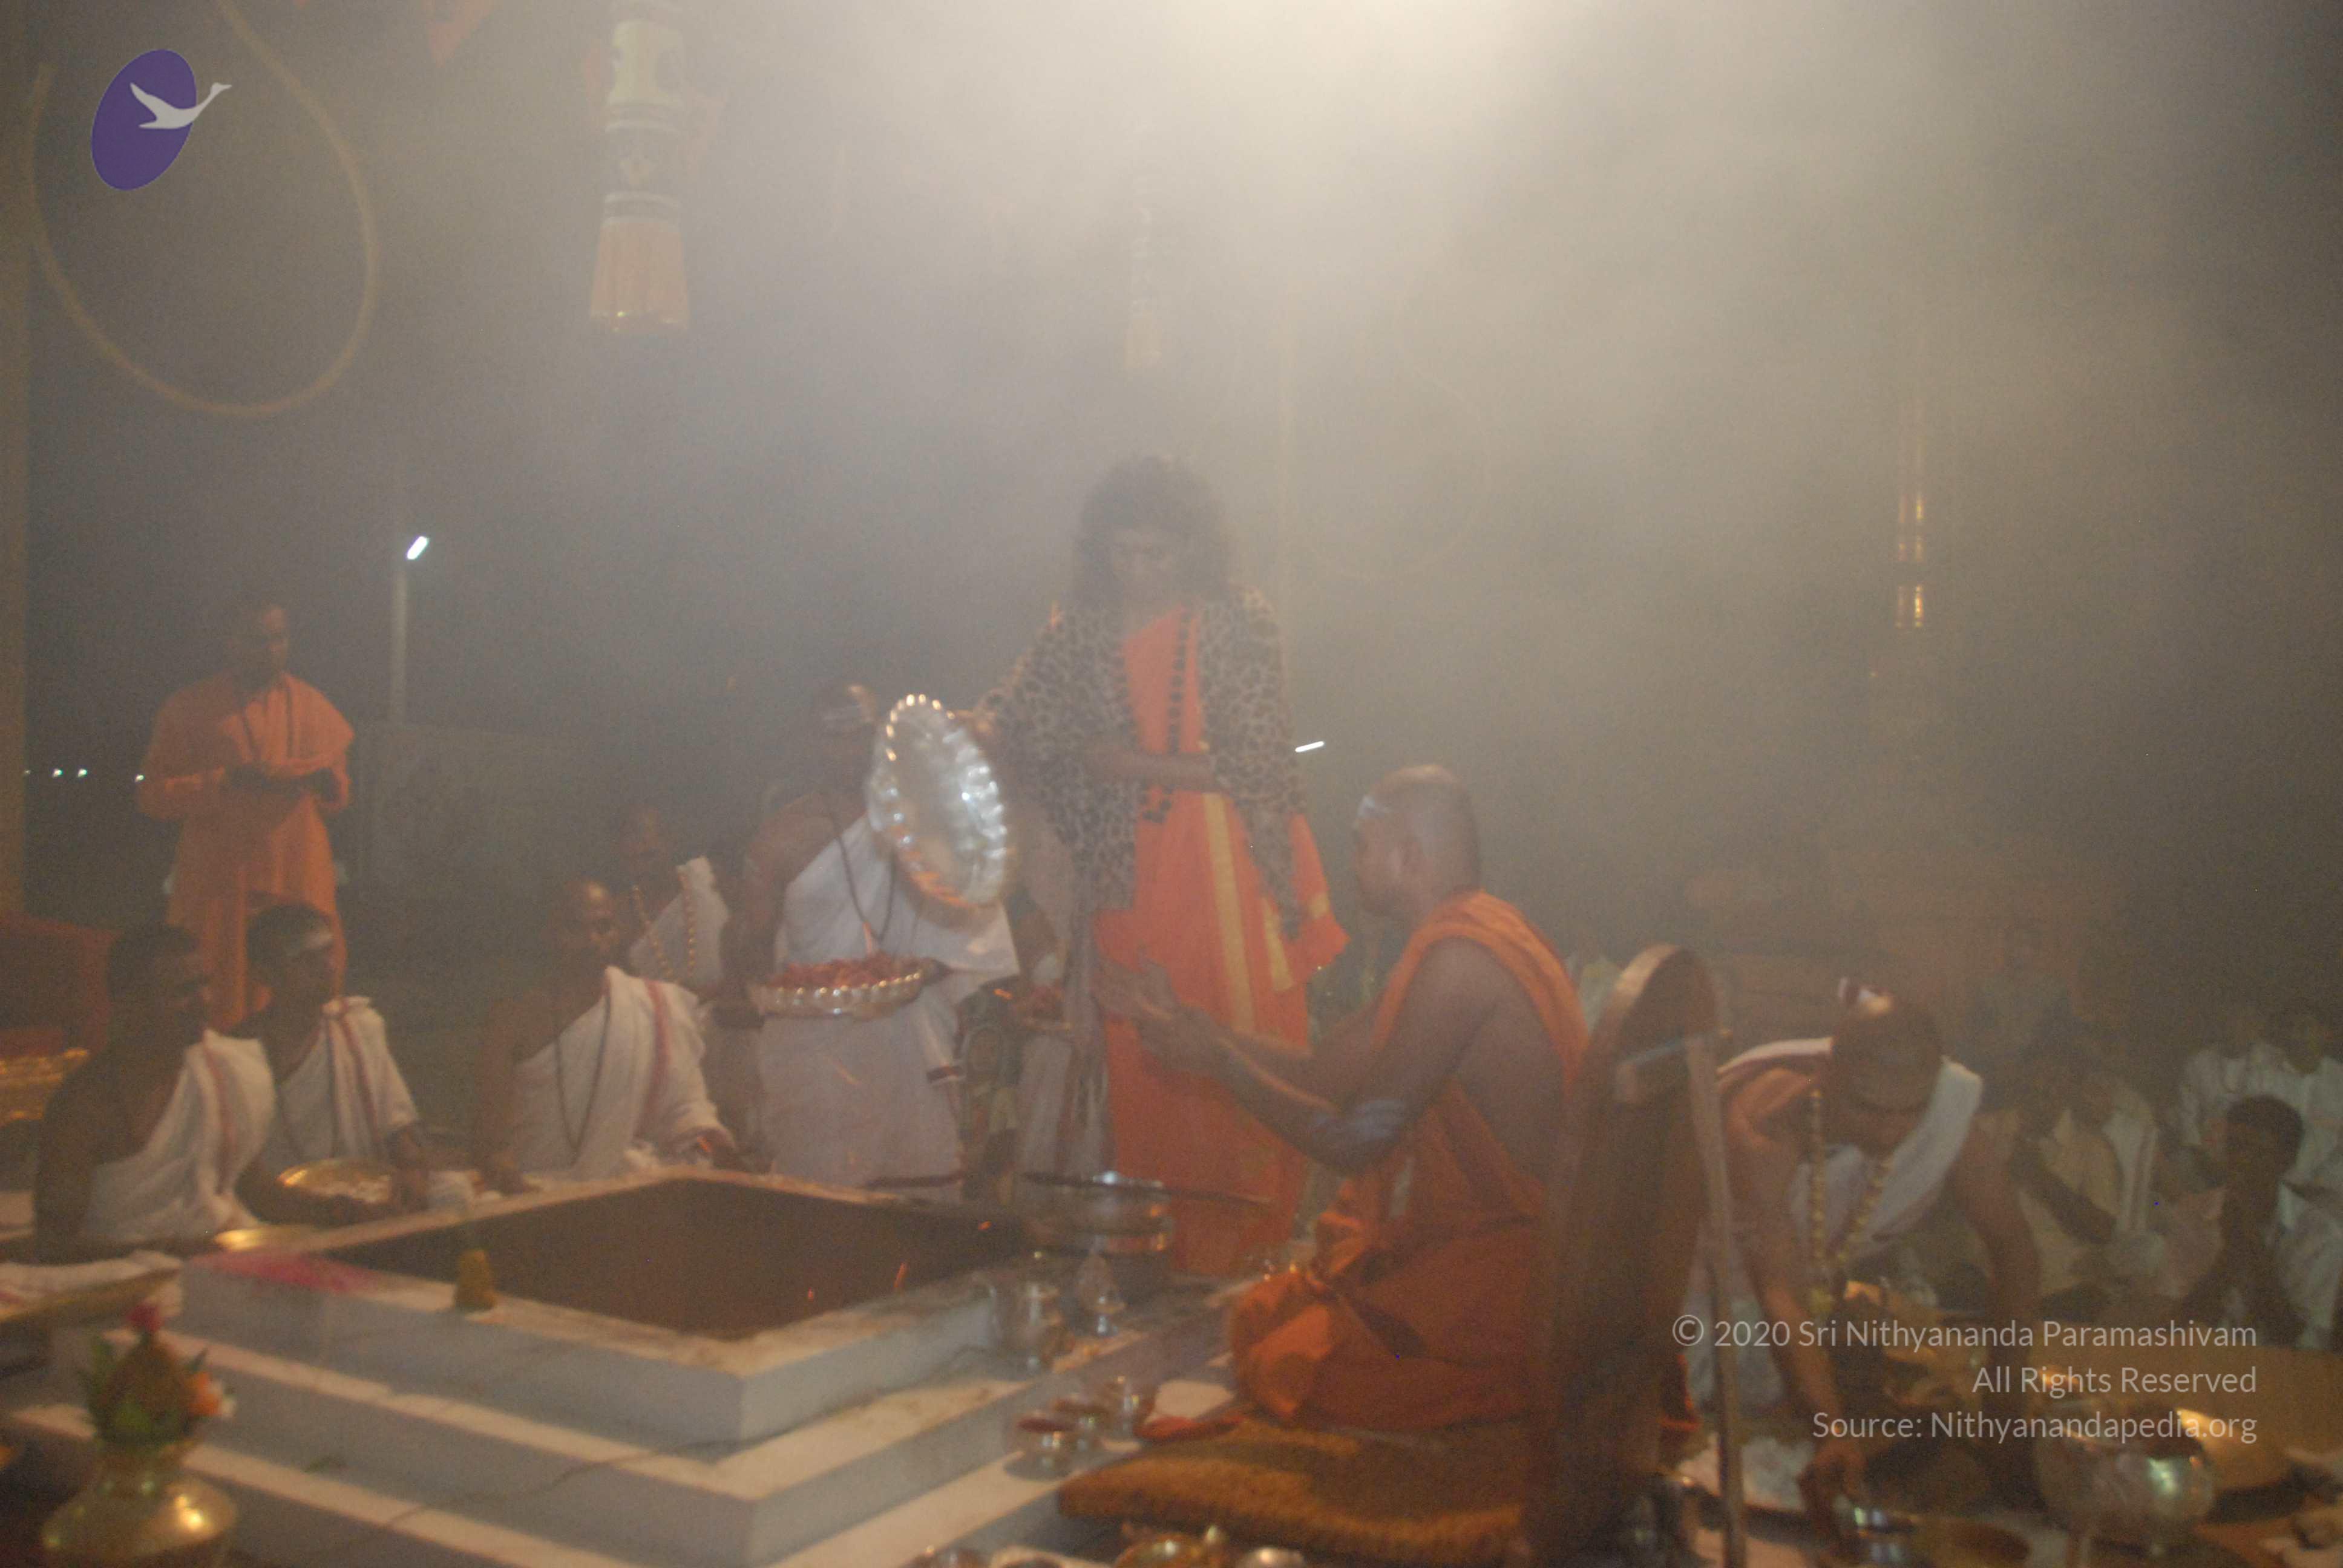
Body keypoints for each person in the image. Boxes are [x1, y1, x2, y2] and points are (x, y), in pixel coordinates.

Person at [1096, 766, 1583, 1430]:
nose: (1346, 863)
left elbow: (1357, 1141)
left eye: (1361, 844)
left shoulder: (1460, 964)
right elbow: (1325, 1071)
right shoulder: (1458, 941)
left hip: (1515, 1277)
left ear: (1409, 856)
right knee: (1268, 1316)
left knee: (1290, 1362)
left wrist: (1220, 1065)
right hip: (1486, 1251)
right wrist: (1202, 1032)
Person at [980, 455, 1348, 1272]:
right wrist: (969, 732)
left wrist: (1131, 765)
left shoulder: (1235, 618)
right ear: (1100, 550)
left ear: (1192, 550)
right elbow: (1016, 711)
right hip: (1128, 879)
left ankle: (1246, 1260)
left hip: (1230, 869)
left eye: (1157, 553)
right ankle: (1168, 1259)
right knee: (1146, 1054)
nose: (1139, 571)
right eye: (1123, 553)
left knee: (1232, 1048)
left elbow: (1265, 766)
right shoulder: (1079, 628)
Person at [1714, 993, 2038, 1523]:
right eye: (1868, 1109)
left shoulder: (1943, 1111)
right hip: (1705, 1309)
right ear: (1827, 1076)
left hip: (1798, 1323)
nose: (1891, 1131)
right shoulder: (1766, 1124)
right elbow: (1780, 1289)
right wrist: (1831, 1432)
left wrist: (2004, 1406)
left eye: (1910, 1112)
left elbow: (2014, 1247)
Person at [736, 683, 1018, 1189]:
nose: (848, 750)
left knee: (916, 1199)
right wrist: (765, 986)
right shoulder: (780, 837)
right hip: (816, 1046)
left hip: (908, 1033)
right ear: (809, 743)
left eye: (861, 734)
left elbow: (969, 901)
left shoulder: (919, 821)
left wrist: (928, 965)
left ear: (880, 735)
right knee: (822, 1200)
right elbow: (753, 947)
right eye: (833, 737)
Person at [137, 592, 355, 1028]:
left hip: (295, 874)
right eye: (258, 640)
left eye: (279, 639)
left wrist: (325, 784)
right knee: (218, 998)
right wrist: (226, 781)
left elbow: (338, 794)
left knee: (304, 998)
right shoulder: (191, 707)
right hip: (223, 883)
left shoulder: (314, 706)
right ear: (230, 642)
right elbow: (153, 796)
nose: (271, 650)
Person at [34, 926, 279, 1261]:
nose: (204, 1002)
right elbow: (53, 1246)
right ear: (130, 1004)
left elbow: (257, 1189)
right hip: (121, 1279)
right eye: (183, 991)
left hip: (218, 1260)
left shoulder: (219, 1071)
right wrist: (164, 1253)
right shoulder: (85, 1104)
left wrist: (337, 1210)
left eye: (204, 984)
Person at [474, 879, 736, 1190]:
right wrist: (528, 1195)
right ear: (549, 934)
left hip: (623, 1191)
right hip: (534, 1193)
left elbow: (687, 1113)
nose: (592, 940)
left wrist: (715, 1149)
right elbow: (492, 1149)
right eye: (574, 928)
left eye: (604, 927)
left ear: (618, 932)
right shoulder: (513, 1020)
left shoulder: (653, 1006)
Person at [233, 902, 437, 1210]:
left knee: (455, 1193)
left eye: (328, 951)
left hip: (368, 1194)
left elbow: (399, 1129)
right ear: (265, 974)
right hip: (285, 1209)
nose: (327, 967)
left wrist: (412, 1172)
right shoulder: (238, 1053)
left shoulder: (359, 1028)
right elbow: (243, 1174)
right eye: (306, 959)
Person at [2156, 1096, 2343, 1350]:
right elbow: (2172, 1328)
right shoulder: (2192, 1215)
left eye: (2258, 1153)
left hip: (2279, 1371)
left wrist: (2251, 1242)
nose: (2242, 1160)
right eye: (2235, 1147)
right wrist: (2230, 1255)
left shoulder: (2321, 1236)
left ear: (2286, 1161)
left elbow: (2301, 1344)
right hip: (2199, 1364)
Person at [2004, 1046, 2120, 1318]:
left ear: (2072, 1090)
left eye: (2055, 1079)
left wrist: (2041, 1178)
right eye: (2035, 1075)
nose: (2041, 1087)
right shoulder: (1986, 1132)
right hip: (1989, 1282)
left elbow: (2102, 1230)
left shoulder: (2093, 1148)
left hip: (2060, 1289)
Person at [614, 803, 729, 998]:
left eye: (642, 834)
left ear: (670, 840)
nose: (637, 847)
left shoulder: (708, 880)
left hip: (725, 1008)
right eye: (627, 836)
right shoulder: (619, 912)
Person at [1960, 918, 2071, 1102]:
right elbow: (1980, 1034)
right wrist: (2000, 1063)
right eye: (2013, 944)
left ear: (2036, 950)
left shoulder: (2054, 993)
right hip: (1996, 1073)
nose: (2017, 951)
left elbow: (2058, 1039)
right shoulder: (1988, 990)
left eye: (2024, 944)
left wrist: (2035, 1068)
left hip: (2039, 1074)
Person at [2174, 1002, 2269, 1184]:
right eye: (2234, 1020)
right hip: (2204, 1155)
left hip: (2253, 1156)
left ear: (2259, 1026)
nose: (2239, 1028)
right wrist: (2204, 1157)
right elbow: (2187, 1119)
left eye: (2248, 1022)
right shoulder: (2198, 1063)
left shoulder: (2271, 1062)